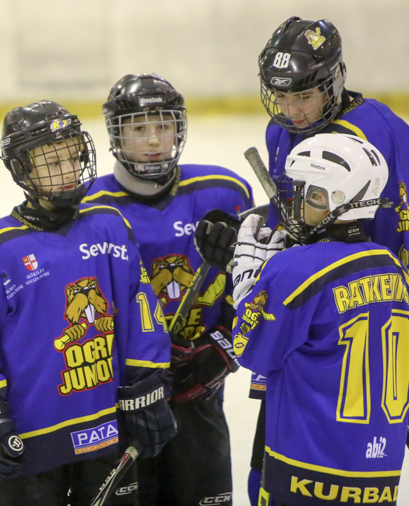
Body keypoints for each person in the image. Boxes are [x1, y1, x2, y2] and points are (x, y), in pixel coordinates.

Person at [196, 16, 409, 504]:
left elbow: (405, 235)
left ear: (334, 80)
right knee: (269, 467)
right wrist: (248, 233)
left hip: (357, 316)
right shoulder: (280, 131)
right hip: (298, 311)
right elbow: (296, 219)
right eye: (280, 96)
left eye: (303, 96)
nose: (292, 110)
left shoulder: (381, 131)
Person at [0, 100, 176, 505]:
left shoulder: (109, 225)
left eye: (73, 157)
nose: (68, 170)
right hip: (31, 441)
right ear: (22, 169)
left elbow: (141, 313)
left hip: (107, 431)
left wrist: (148, 383)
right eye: (52, 162)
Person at [230, 133, 409, 506]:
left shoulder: (295, 269)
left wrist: (247, 282)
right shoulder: (389, 265)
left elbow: (251, 350)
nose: (295, 202)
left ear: (330, 197)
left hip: (305, 475)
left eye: (305, 191)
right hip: (379, 479)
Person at [84, 73, 254, 506]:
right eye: (139, 128)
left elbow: (258, 287)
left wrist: (224, 349)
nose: (154, 140)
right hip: (122, 400)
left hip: (199, 394)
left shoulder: (225, 193)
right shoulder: (88, 207)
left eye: (163, 125)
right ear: (116, 135)